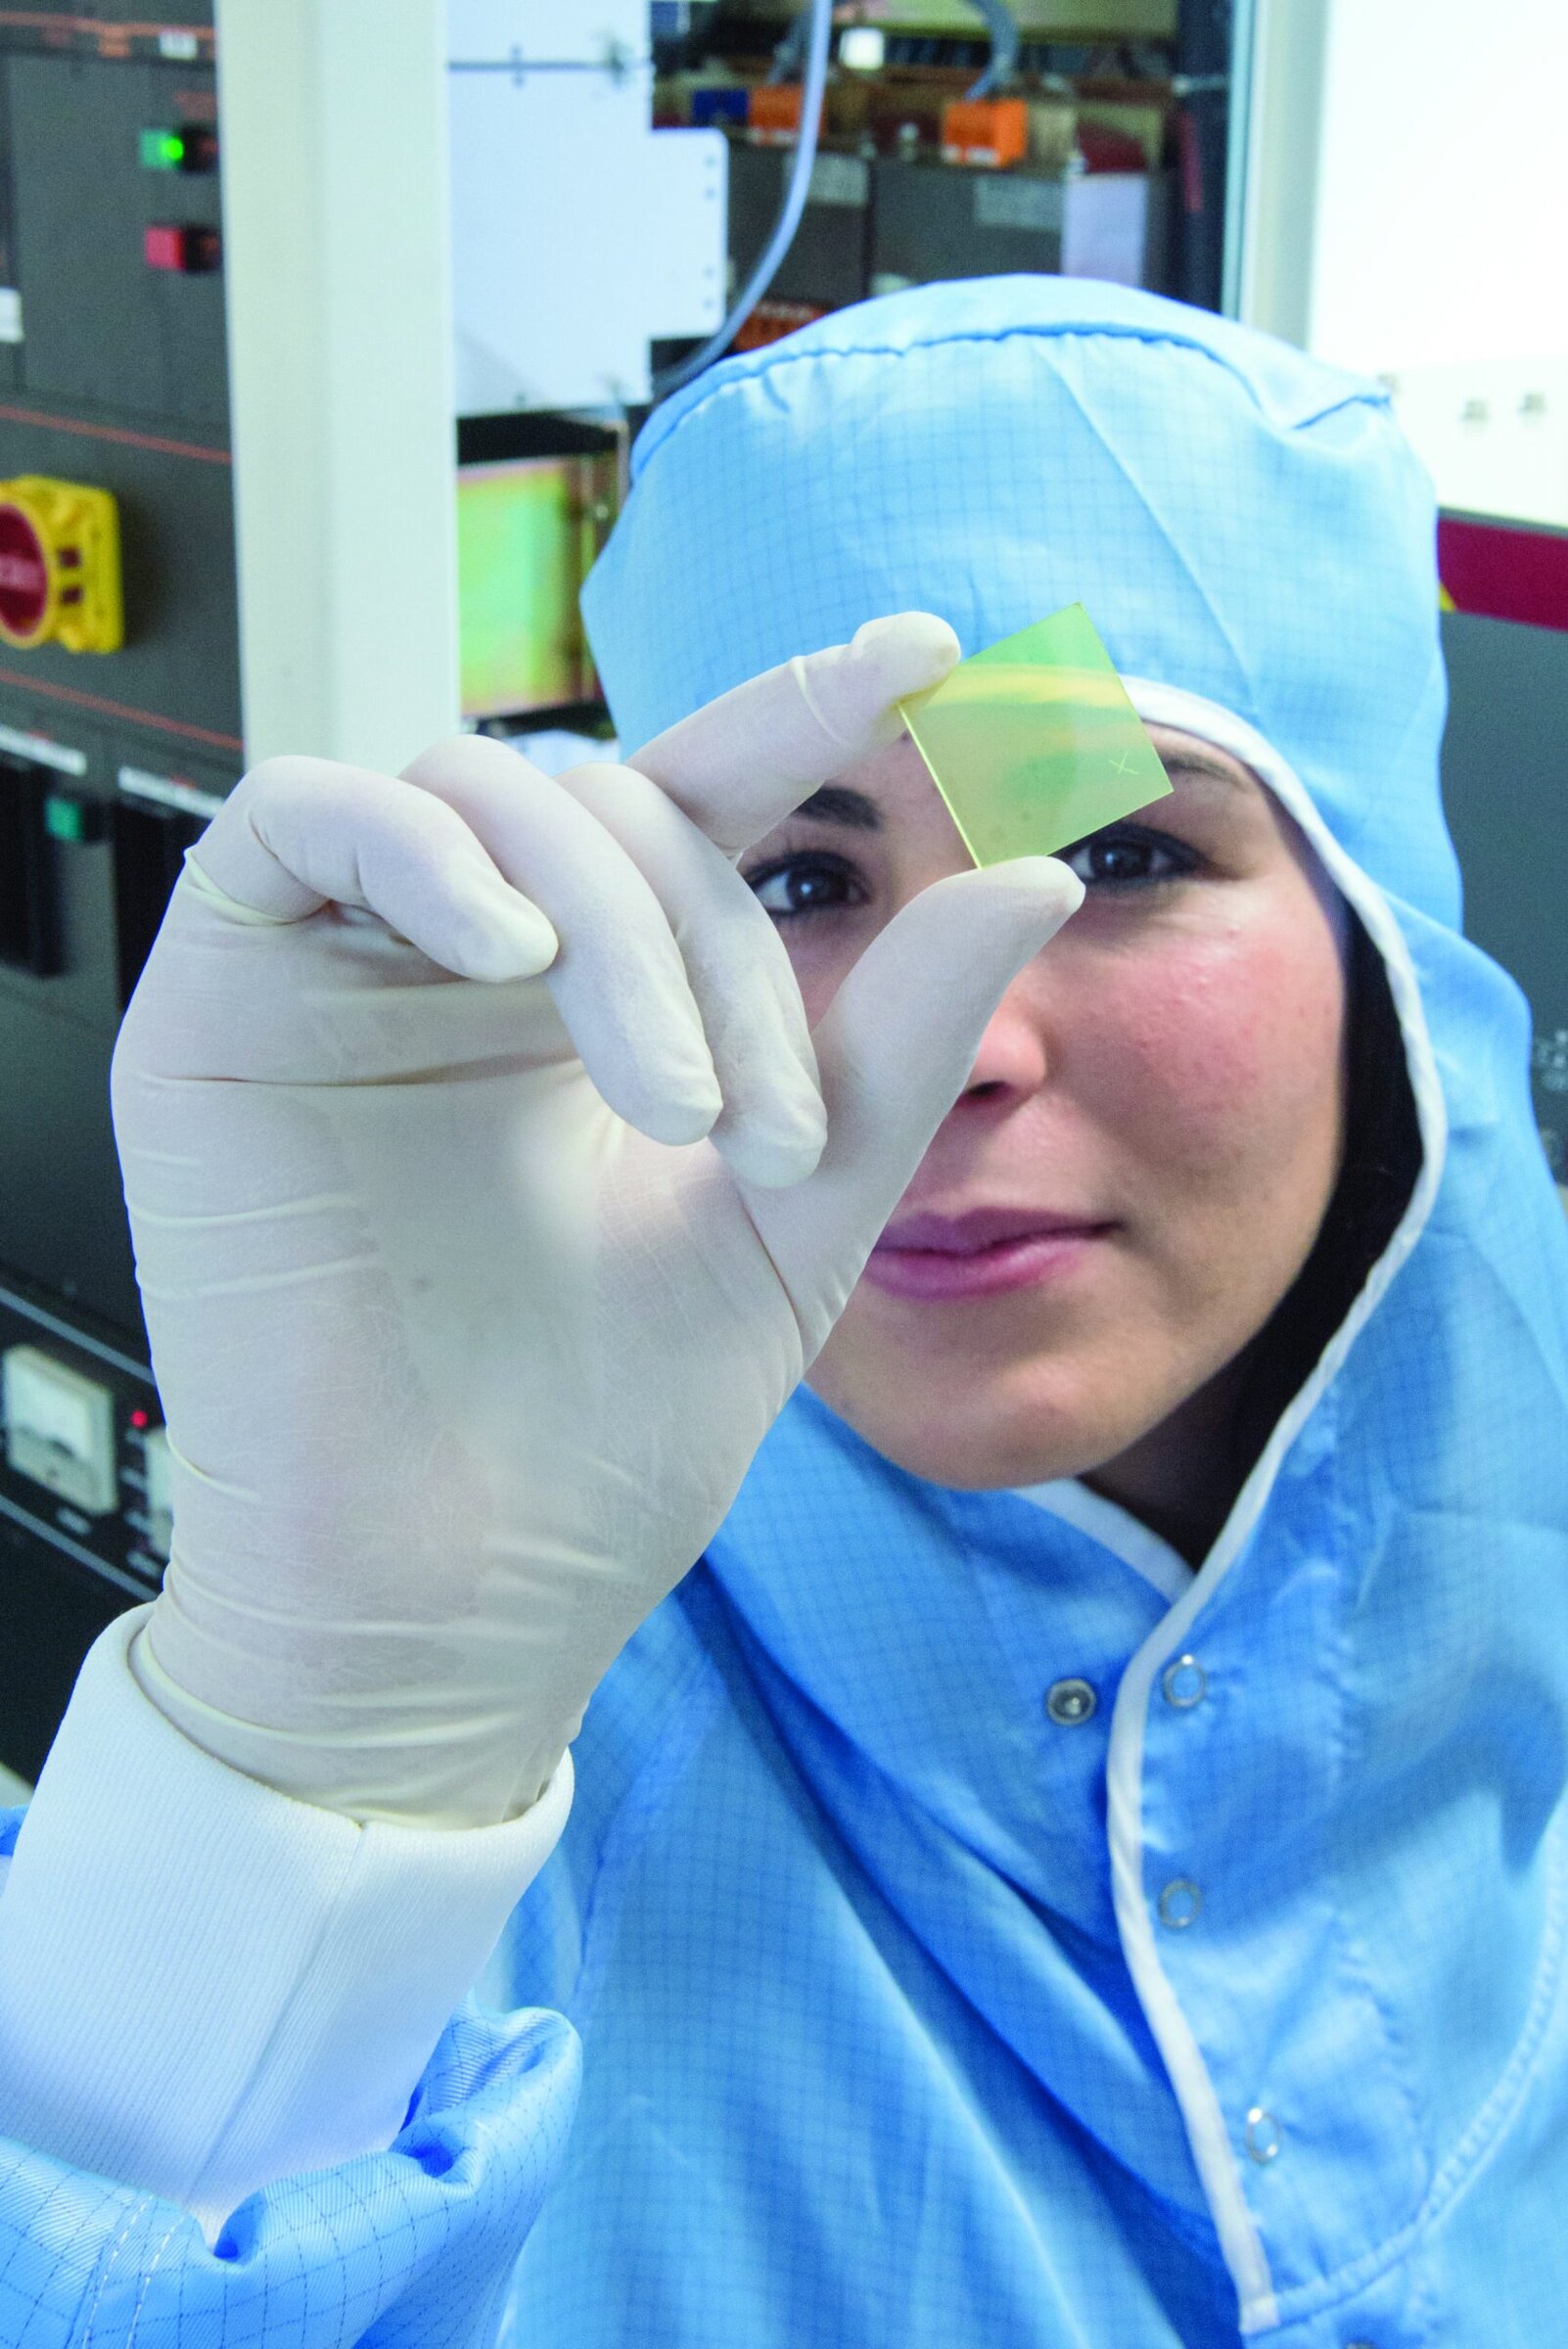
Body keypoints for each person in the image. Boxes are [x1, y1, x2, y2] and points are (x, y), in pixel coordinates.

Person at [0, 275, 1564, 2345]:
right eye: (800, 885)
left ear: (1387, 952)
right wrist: (305, 1759)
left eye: (1111, 852)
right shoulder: (495, 1805)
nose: (959, 1039)